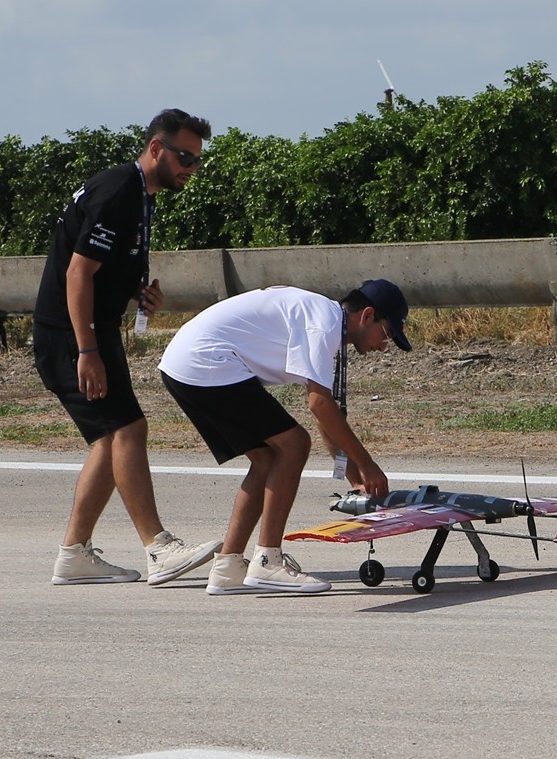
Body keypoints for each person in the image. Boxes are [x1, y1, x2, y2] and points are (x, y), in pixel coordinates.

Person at [34, 108, 222, 586]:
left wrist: (138, 297)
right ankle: (159, 549)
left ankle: (74, 556)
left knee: (108, 440)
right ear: (156, 148)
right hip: (73, 335)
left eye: (197, 161)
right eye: (184, 156)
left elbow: (103, 268)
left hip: (93, 329)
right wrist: (87, 351)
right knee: (129, 429)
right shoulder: (120, 189)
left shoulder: (141, 196)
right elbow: (77, 273)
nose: (190, 168)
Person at [157, 279, 412, 594]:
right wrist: (368, 465)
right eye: (386, 334)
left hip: (188, 361)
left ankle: (228, 566)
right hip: (205, 361)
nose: (384, 345)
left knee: (268, 457)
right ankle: (268, 562)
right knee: (293, 444)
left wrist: (352, 476)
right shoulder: (324, 325)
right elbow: (319, 405)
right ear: (368, 315)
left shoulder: (324, 319)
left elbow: (326, 413)